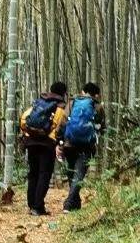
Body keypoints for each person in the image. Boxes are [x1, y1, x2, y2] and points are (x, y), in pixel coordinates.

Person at [19, 81, 68, 216]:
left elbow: (23, 119)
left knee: (33, 173)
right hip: (47, 144)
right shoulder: (60, 108)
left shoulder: (39, 102)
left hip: (32, 142)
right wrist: (59, 141)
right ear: (63, 93)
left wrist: (29, 133)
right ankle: (37, 207)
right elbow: (61, 126)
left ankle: (31, 205)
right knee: (44, 175)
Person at [61, 82, 105, 212]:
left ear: (82, 91)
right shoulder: (97, 106)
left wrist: (60, 141)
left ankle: (75, 203)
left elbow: (63, 121)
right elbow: (102, 127)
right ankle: (69, 204)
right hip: (86, 146)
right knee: (79, 175)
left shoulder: (72, 102)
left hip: (69, 144)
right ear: (96, 94)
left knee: (72, 174)